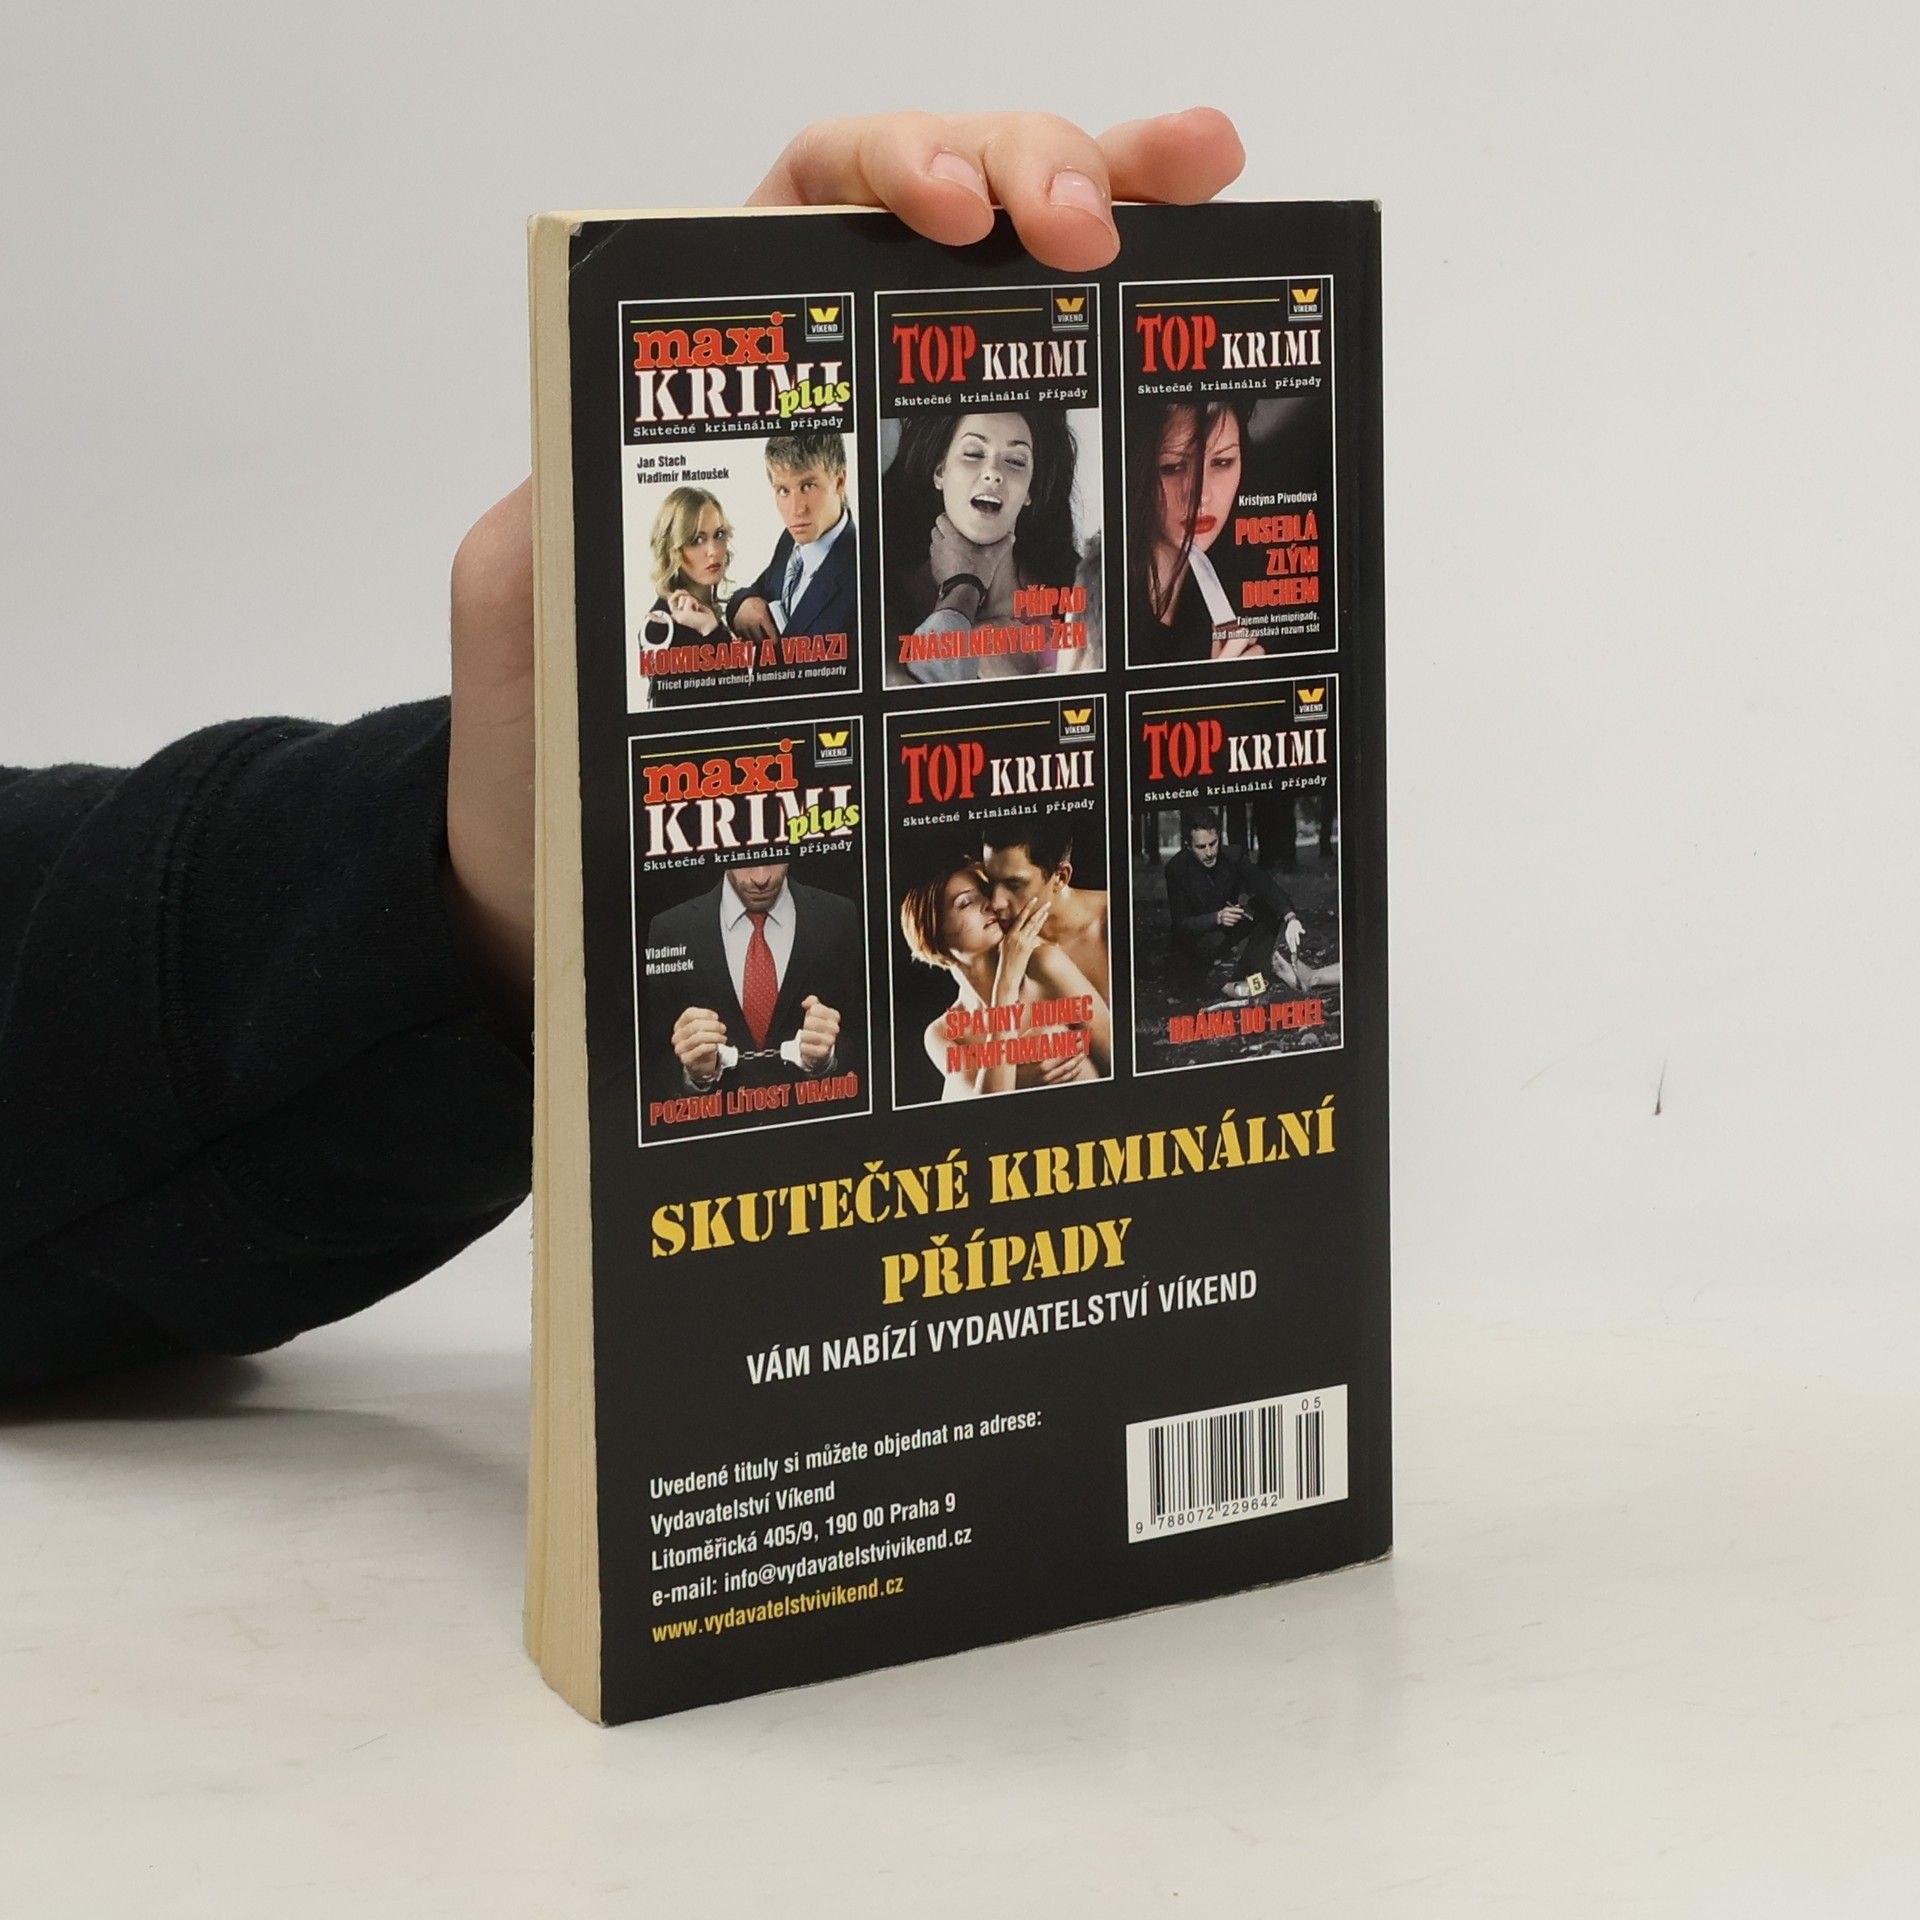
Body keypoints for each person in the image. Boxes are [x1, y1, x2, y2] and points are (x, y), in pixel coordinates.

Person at [0, 106, 1247, 1399]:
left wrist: (480, 894)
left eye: (1019, 456)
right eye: (972, 449)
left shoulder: (1070, 614)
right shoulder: (846, 629)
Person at [885, 405, 1086, 681]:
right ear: (940, 472)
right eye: (974, 453)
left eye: (1015, 461)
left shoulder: (1072, 598)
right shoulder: (887, 602)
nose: (993, 472)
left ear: (1030, 489)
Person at [643, 861, 862, 1102]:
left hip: (817, 1116)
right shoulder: (670, 930)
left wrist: (828, 1059)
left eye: (772, 858)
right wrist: (694, 1074)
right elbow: (650, 1061)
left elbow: (870, 1038)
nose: (761, 879)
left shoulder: (838, 917)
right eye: (744, 861)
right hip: (715, 1119)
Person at [899, 860, 1110, 1099]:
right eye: (966, 903)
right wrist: (1006, 986)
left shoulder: (1045, 965)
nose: (990, 904)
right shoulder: (943, 1034)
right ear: (933, 931)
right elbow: (988, 1108)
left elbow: (1119, 1058)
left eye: (986, 893)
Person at [1128, 397, 1264, 665]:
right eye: (1172, 467)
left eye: (1222, 462)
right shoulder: (1101, 605)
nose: (1201, 496)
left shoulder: (1252, 592)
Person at [1159, 806, 1338, 1001]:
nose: (1209, 853)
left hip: (1229, 928)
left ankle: (1253, 975)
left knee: (1268, 908)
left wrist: (1290, 917)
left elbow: (1265, 885)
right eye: (1201, 847)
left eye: (1213, 843)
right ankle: (1221, 983)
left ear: (1219, 837)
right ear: (1188, 846)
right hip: (1198, 940)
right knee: (1199, 973)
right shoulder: (1177, 869)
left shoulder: (1232, 856)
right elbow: (1181, 924)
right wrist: (1216, 917)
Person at [726, 427, 858, 645]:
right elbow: (760, 589)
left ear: (839, 482)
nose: (796, 510)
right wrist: (743, 603)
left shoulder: (863, 571)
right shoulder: (790, 541)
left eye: (808, 486)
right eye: (783, 491)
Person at [979, 814, 1111, 1004]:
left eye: (1014, 884)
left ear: (1061, 877)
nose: (995, 903)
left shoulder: (1114, 921)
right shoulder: (991, 938)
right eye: (990, 882)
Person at [637, 487, 742, 707]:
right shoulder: (661, 626)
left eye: (719, 535)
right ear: (673, 549)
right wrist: (712, 633)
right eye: (697, 540)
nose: (713, 551)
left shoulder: (709, 613)